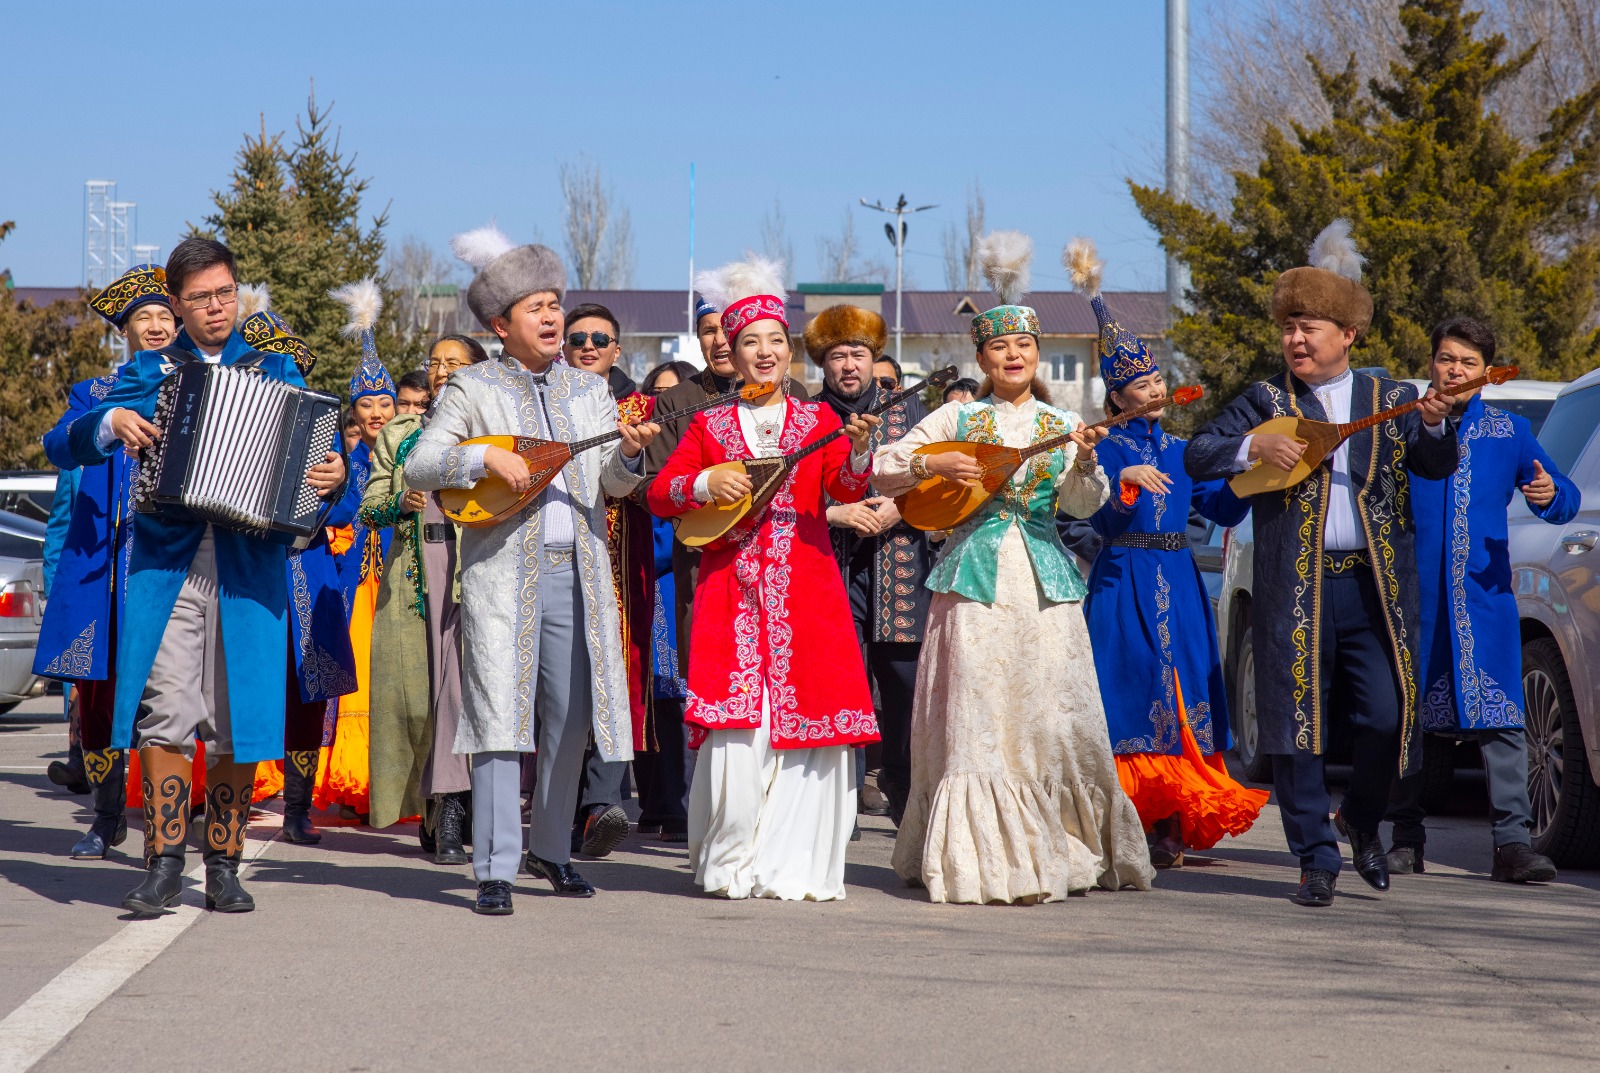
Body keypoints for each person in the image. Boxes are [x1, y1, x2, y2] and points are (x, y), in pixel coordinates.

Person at [65, 237, 346, 914]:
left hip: (252, 565)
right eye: (200, 298)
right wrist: (111, 421)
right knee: (167, 708)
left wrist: (330, 476)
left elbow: (318, 461)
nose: (217, 308)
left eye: (225, 292)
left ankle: (223, 864)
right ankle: (163, 862)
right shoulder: (149, 370)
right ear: (176, 303)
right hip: (168, 563)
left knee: (236, 716)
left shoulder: (276, 367)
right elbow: (63, 437)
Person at [872, 231, 1153, 904]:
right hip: (973, 581)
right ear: (982, 356)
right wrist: (935, 461)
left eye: (1023, 345)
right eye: (999, 347)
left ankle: (1060, 842)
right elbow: (878, 467)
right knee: (979, 711)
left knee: (1052, 715)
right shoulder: (958, 414)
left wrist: (1086, 462)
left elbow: (1083, 504)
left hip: (1046, 585)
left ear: (1036, 353)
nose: (1013, 356)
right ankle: (978, 851)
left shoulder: (1065, 421)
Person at [1183, 220, 1456, 908]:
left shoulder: (1391, 400)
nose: (1295, 339)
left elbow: (1435, 461)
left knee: (1390, 715)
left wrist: (1431, 421)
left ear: (1348, 335)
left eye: (1309, 327)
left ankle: (1360, 820)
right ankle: (1314, 858)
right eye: (1288, 327)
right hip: (1293, 586)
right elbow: (1197, 453)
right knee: (1294, 723)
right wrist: (1251, 450)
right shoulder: (1264, 401)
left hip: (1373, 587)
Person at [404, 225, 656, 914]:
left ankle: (551, 848)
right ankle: (494, 866)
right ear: (500, 323)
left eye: (555, 304)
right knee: (497, 719)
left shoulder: (589, 391)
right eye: (536, 308)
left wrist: (629, 455)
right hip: (500, 578)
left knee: (571, 715)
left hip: (579, 573)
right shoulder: (471, 387)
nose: (552, 317)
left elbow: (615, 484)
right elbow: (420, 463)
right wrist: (486, 459)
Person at [646, 255, 880, 901]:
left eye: (776, 339)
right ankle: (730, 862)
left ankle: (796, 865)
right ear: (732, 351)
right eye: (750, 341)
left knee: (809, 729)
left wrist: (858, 449)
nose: (765, 351)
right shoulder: (709, 424)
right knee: (739, 734)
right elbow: (663, 493)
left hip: (809, 592)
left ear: (789, 350)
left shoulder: (820, 421)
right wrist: (704, 480)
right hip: (731, 595)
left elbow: (846, 485)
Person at [1067, 239, 1266, 869]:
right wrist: (1124, 486)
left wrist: (1252, 476)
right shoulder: (1104, 447)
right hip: (1123, 575)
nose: (1153, 390)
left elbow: (1223, 510)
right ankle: (1135, 819)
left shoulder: (1184, 450)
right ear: (1117, 397)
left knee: (1184, 685)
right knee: (1129, 687)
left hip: (1178, 576)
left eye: (1156, 380)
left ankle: (1176, 816)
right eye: (1139, 384)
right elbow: (1095, 516)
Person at [1386, 316, 1578, 882]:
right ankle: (1405, 837)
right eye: (1447, 359)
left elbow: (1563, 497)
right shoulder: (1402, 425)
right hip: (1415, 599)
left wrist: (1549, 492)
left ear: (1486, 374)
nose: (1456, 370)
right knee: (1410, 715)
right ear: (1432, 365)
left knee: (1501, 717)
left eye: (1468, 363)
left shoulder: (1509, 431)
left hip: (1485, 598)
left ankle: (1512, 846)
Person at [36, 263, 173, 857]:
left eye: (166, 315)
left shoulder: (197, 390)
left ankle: (170, 823)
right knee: (101, 693)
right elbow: (58, 445)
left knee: (169, 694)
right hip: (102, 571)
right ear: (124, 330)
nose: (157, 326)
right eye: (143, 317)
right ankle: (107, 815)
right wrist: (111, 422)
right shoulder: (94, 394)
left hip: (172, 567)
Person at [237, 295, 359, 846]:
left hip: (305, 571)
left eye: (287, 366)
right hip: (241, 570)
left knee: (306, 690)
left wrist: (335, 486)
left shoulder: (320, 427)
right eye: (266, 365)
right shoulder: (233, 419)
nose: (279, 375)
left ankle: (297, 809)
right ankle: (232, 802)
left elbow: (351, 504)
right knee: (238, 686)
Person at [361, 333, 488, 863]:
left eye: (453, 363)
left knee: (465, 700)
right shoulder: (401, 435)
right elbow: (368, 507)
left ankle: (456, 813)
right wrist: (399, 499)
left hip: (480, 579)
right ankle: (434, 808)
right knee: (415, 703)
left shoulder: (493, 434)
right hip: (414, 585)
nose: (440, 371)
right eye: (434, 362)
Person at [808, 303, 932, 826]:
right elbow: (786, 493)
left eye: (858, 353)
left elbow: (940, 486)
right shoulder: (805, 416)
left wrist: (899, 509)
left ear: (874, 356)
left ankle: (905, 795)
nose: (849, 365)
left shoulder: (911, 413)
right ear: (822, 363)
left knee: (903, 688)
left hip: (899, 566)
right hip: (827, 567)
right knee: (840, 685)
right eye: (838, 355)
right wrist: (835, 511)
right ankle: (842, 806)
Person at [561, 302, 653, 858]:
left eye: (601, 338)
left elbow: (658, 481)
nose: (589, 346)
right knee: (562, 693)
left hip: (618, 566)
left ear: (618, 349)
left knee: (615, 679)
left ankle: (601, 803)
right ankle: (570, 811)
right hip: (551, 562)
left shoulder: (641, 409)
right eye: (579, 339)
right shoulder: (541, 405)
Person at [316, 280, 396, 821]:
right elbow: (339, 515)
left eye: (384, 402)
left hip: (394, 579)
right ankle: (351, 779)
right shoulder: (350, 463)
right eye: (365, 404)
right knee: (355, 678)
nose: (375, 412)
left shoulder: (411, 454)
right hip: (352, 583)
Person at [637, 359, 700, 842]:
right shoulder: (654, 466)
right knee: (660, 695)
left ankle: (679, 803)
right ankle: (660, 800)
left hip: (679, 578)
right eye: (659, 396)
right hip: (655, 581)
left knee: (679, 694)